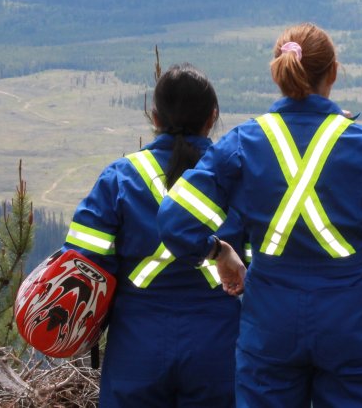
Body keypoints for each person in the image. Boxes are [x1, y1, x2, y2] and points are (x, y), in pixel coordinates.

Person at [158, 22, 362, 408]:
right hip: (349, 313)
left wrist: (218, 252)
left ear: (278, 73)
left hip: (270, 315)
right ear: (332, 72)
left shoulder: (242, 142)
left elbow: (174, 222)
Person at [62, 63, 246, 408]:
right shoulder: (234, 180)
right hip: (218, 346)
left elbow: (80, 265)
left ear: (154, 116)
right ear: (213, 116)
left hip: (136, 347)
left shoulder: (119, 179)